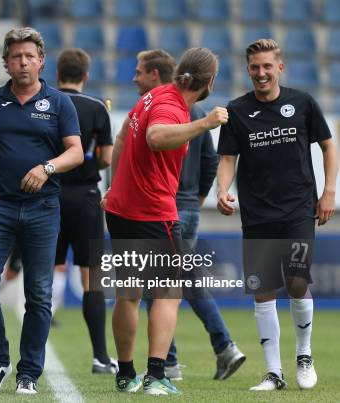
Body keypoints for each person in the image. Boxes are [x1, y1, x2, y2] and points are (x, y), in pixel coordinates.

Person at [0, 27, 83, 395]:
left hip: (44, 209)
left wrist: (47, 168)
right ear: (6, 62)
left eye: (30, 56)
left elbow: (76, 152)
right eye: (16, 56)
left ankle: (29, 372)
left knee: (39, 294)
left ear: (42, 61)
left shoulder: (59, 102)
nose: (23, 62)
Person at [102, 47, 227, 395]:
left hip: (121, 209)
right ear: (209, 82)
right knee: (168, 294)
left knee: (127, 294)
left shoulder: (153, 95)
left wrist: (115, 186)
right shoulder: (172, 106)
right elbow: (155, 138)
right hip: (153, 213)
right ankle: (156, 375)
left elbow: (123, 134)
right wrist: (204, 123)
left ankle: (126, 374)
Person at [216, 39, 337, 391]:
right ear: (247, 69)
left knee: (298, 281)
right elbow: (227, 159)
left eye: (267, 66)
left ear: (279, 67)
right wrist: (222, 190)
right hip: (257, 215)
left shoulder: (302, 103)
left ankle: (304, 354)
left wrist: (329, 191)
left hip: (299, 208)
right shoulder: (237, 111)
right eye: (255, 67)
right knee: (263, 290)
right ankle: (274, 373)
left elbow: (329, 145)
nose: (261, 73)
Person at [134, 49, 246, 381]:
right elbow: (211, 161)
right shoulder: (192, 109)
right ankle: (215, 349)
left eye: (140, 72)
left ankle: (189, 356)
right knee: (181, 281)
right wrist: (196, 201)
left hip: (166, 208)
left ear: (158, 75)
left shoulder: (170, 109)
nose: (135, 77)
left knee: (161, 285)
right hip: (185, 208)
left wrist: (189, 201)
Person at [52, 48, 116, 374]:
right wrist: (89, 159)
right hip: (86, 197)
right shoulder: (96, 107)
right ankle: (101, 357)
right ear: (86, 76)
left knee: (43, 272)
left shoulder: (46, 103)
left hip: (49, 195)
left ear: (57, 72)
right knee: (92, 277)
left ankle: (29, 355)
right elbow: (107, 158)